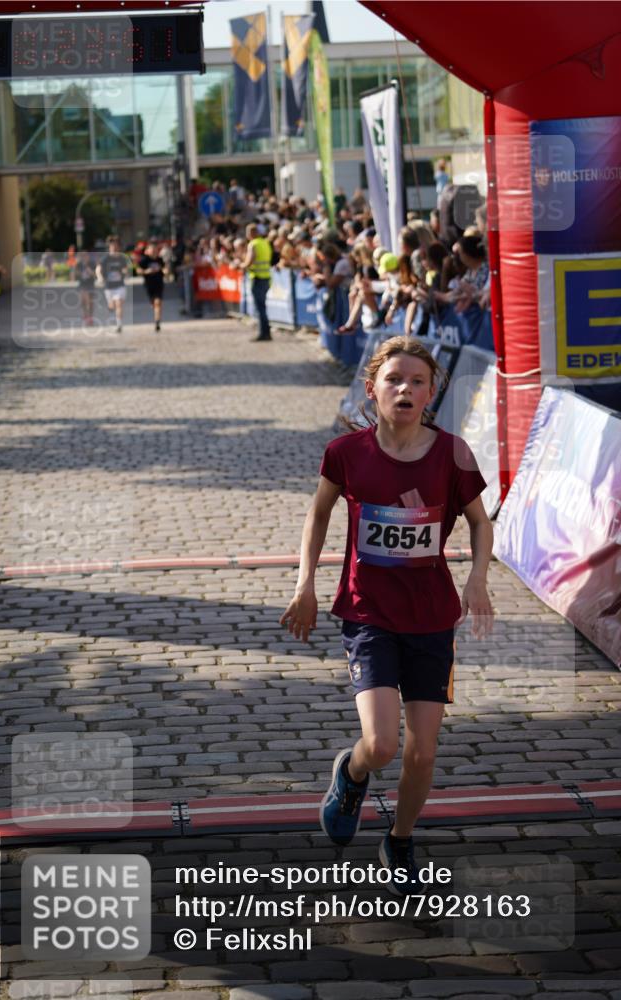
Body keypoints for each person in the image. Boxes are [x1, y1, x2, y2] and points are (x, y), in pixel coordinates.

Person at [281, 336, 494, 895]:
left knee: (423, 751)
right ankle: (350, 778)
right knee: (380, 747)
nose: (405, 389)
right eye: (394, 379)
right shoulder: (346, 453)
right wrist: (306, 583)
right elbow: (319, 511)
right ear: (371, 387)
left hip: (431, 617)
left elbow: (479, 521)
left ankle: (399, 840)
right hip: (369, 612)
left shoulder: (454, 453)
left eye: (417, 381)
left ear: (432, 392)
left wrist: (477, 578)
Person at [241, 223, 272, 342]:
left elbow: (249, 262)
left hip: (258, 278)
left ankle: (264, 333)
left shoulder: (253, 244)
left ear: (251, 233)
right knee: (263, 307)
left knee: (260, 308)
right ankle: (266, 332)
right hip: (267, 278)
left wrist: (240, 265)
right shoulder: (265, 243)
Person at [96, 236, 129, 333]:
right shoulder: (105, 258)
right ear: (109, 248)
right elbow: (98, 269)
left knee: (118, 304)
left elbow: (125, 269)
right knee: (112, 306)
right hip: (109, 287)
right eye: (112, 247)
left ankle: (119, 325)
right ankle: (110, 307)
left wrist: (125, 272)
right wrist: (100, 277)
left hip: (120, 285)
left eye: (116, 246)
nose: (114, 248)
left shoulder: (122, 258)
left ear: (118, 248)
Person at [137, 238, 165, 332]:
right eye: (152, 249)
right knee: (154, 303)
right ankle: (154, 308)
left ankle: (157, 322)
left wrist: (165, 271)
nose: (154, 251)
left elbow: (165, 269)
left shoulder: (160, 260)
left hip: (159, 284)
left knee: (158, 302)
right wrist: (146, 271)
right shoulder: (145, 260)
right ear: (148, 251)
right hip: (149, 285)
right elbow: (138, 270)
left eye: (155, 250)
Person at [74, 250, 96, 327]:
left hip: (90, 284)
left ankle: (90, 317)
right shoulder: (79, 264)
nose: (84, 258)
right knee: (83, 302)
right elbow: (75, 275)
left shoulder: (92, 264)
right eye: (82, 256)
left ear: (88, 256)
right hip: (82, 285)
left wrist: (87, 268)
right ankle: (86, 315)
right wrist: (77, 266)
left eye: (85, 256)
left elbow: (94, 275)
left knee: (90, 303)